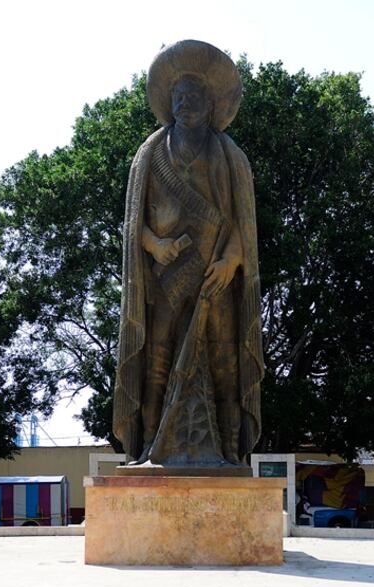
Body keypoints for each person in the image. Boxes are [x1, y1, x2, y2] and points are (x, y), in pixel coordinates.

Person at [113, 40, 262, 471]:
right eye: (178, 97)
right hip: (165, 279)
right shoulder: (149, 154)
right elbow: (132, 225)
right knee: (155, 364)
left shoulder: (230, 155)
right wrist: (155, 246)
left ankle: (232, 455)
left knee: (225, 367)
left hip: (215, 276)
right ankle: (147, 452)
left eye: (194, 97)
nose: (185, 104)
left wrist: (233, 259)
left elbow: (242, 224)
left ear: (211, 103)